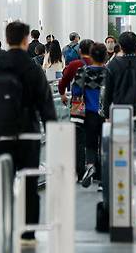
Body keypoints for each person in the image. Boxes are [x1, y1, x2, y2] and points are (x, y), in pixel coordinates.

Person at [0, 21, 56, 245]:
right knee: (29, 184)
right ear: (25, 40)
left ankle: (3, 226)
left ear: (6, 38)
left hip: (0, 136)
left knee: (2, 184)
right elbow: (46, 105)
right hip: (28, 135)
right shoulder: (32, 68)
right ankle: (28, 233)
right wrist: (52, 131)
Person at [58, 39, 100, 183]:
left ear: (80, 51)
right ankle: (97, 171)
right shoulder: (101, 66)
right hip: (97, 109)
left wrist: (63, 94)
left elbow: (63, 82)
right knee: (97, 140)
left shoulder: (75, 65)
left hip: (79, 108)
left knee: (79, 141)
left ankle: (80, 172)